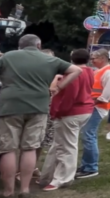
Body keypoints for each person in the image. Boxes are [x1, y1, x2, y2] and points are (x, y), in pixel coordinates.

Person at [0, 34, 82, 198]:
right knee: (30, 148)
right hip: (38, 107)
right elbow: (76, 70)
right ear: (39, 45)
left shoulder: (8, 56)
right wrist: (60, 86)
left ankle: (8, 191)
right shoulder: (49, 59)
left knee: (8, 149)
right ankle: (25, 190)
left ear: (20, 45)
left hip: (10, 107)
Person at [39, 48, 95, 191]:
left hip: (71, 113)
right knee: (59, 144)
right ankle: (48, 175)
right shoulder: (89, 71)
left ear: (71, 58)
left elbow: (70, 97)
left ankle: (62, 178)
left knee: (67, 147)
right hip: (83, 110)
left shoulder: (73, 75)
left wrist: (58, 112)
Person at [77, 49, 110, 179]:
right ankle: (86, 164)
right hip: (94, 105)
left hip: (98, 107)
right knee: (88, 135)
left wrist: (94, 101)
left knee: (88, 135)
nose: (91, 61)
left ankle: (91, 167)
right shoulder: (100, 71)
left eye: (94, 58)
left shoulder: (108, 73)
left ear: (103, 58)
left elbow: (108, 93)